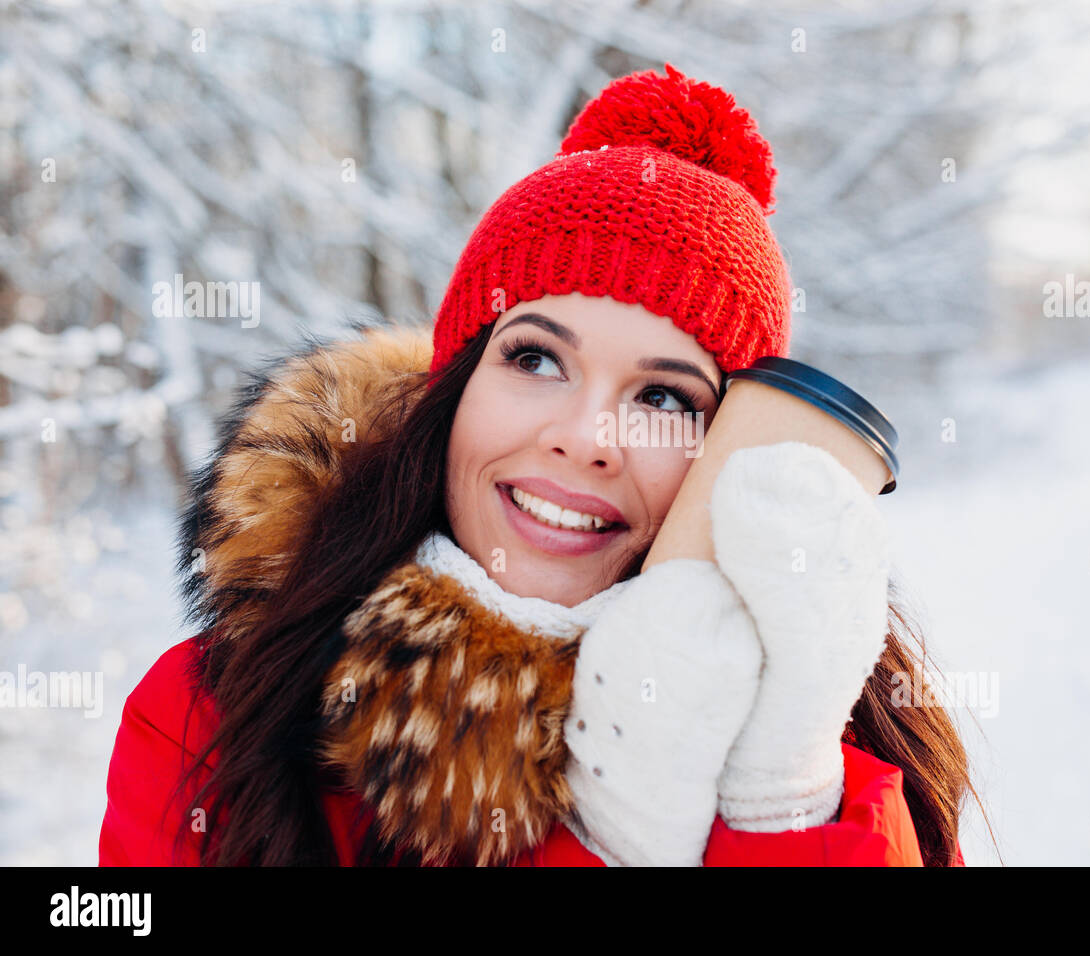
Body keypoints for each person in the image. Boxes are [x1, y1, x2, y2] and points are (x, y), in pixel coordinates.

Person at [99, 63, 986, 866]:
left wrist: (773, 794)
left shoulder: (826, 765)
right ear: (454, 388)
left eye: (664, 398)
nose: (586, 436)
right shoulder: (209, 716)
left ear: (727, 455)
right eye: (535, 360)